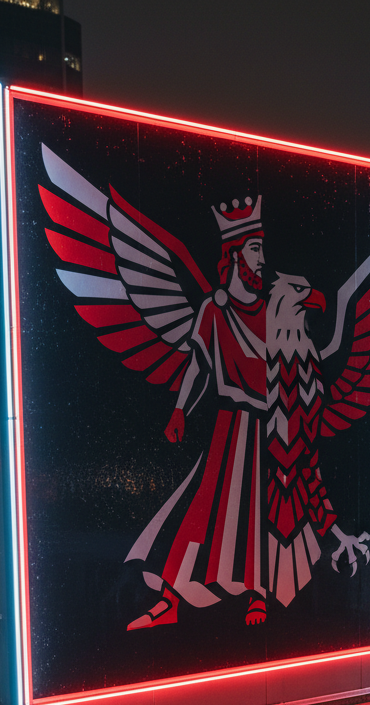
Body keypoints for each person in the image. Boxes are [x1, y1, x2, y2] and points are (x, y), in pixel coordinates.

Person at [127, 197, 270, 629]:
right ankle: (171, 599)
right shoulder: (214, 309)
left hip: (267, 428)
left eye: (263, 248)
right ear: (235, 255)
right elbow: (199, 366)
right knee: (202, 506)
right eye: (256, 248)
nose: (263, 259)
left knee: (260, 511)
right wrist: (180, 410)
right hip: (230, 424)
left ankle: (258, 592)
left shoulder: (272, 309)